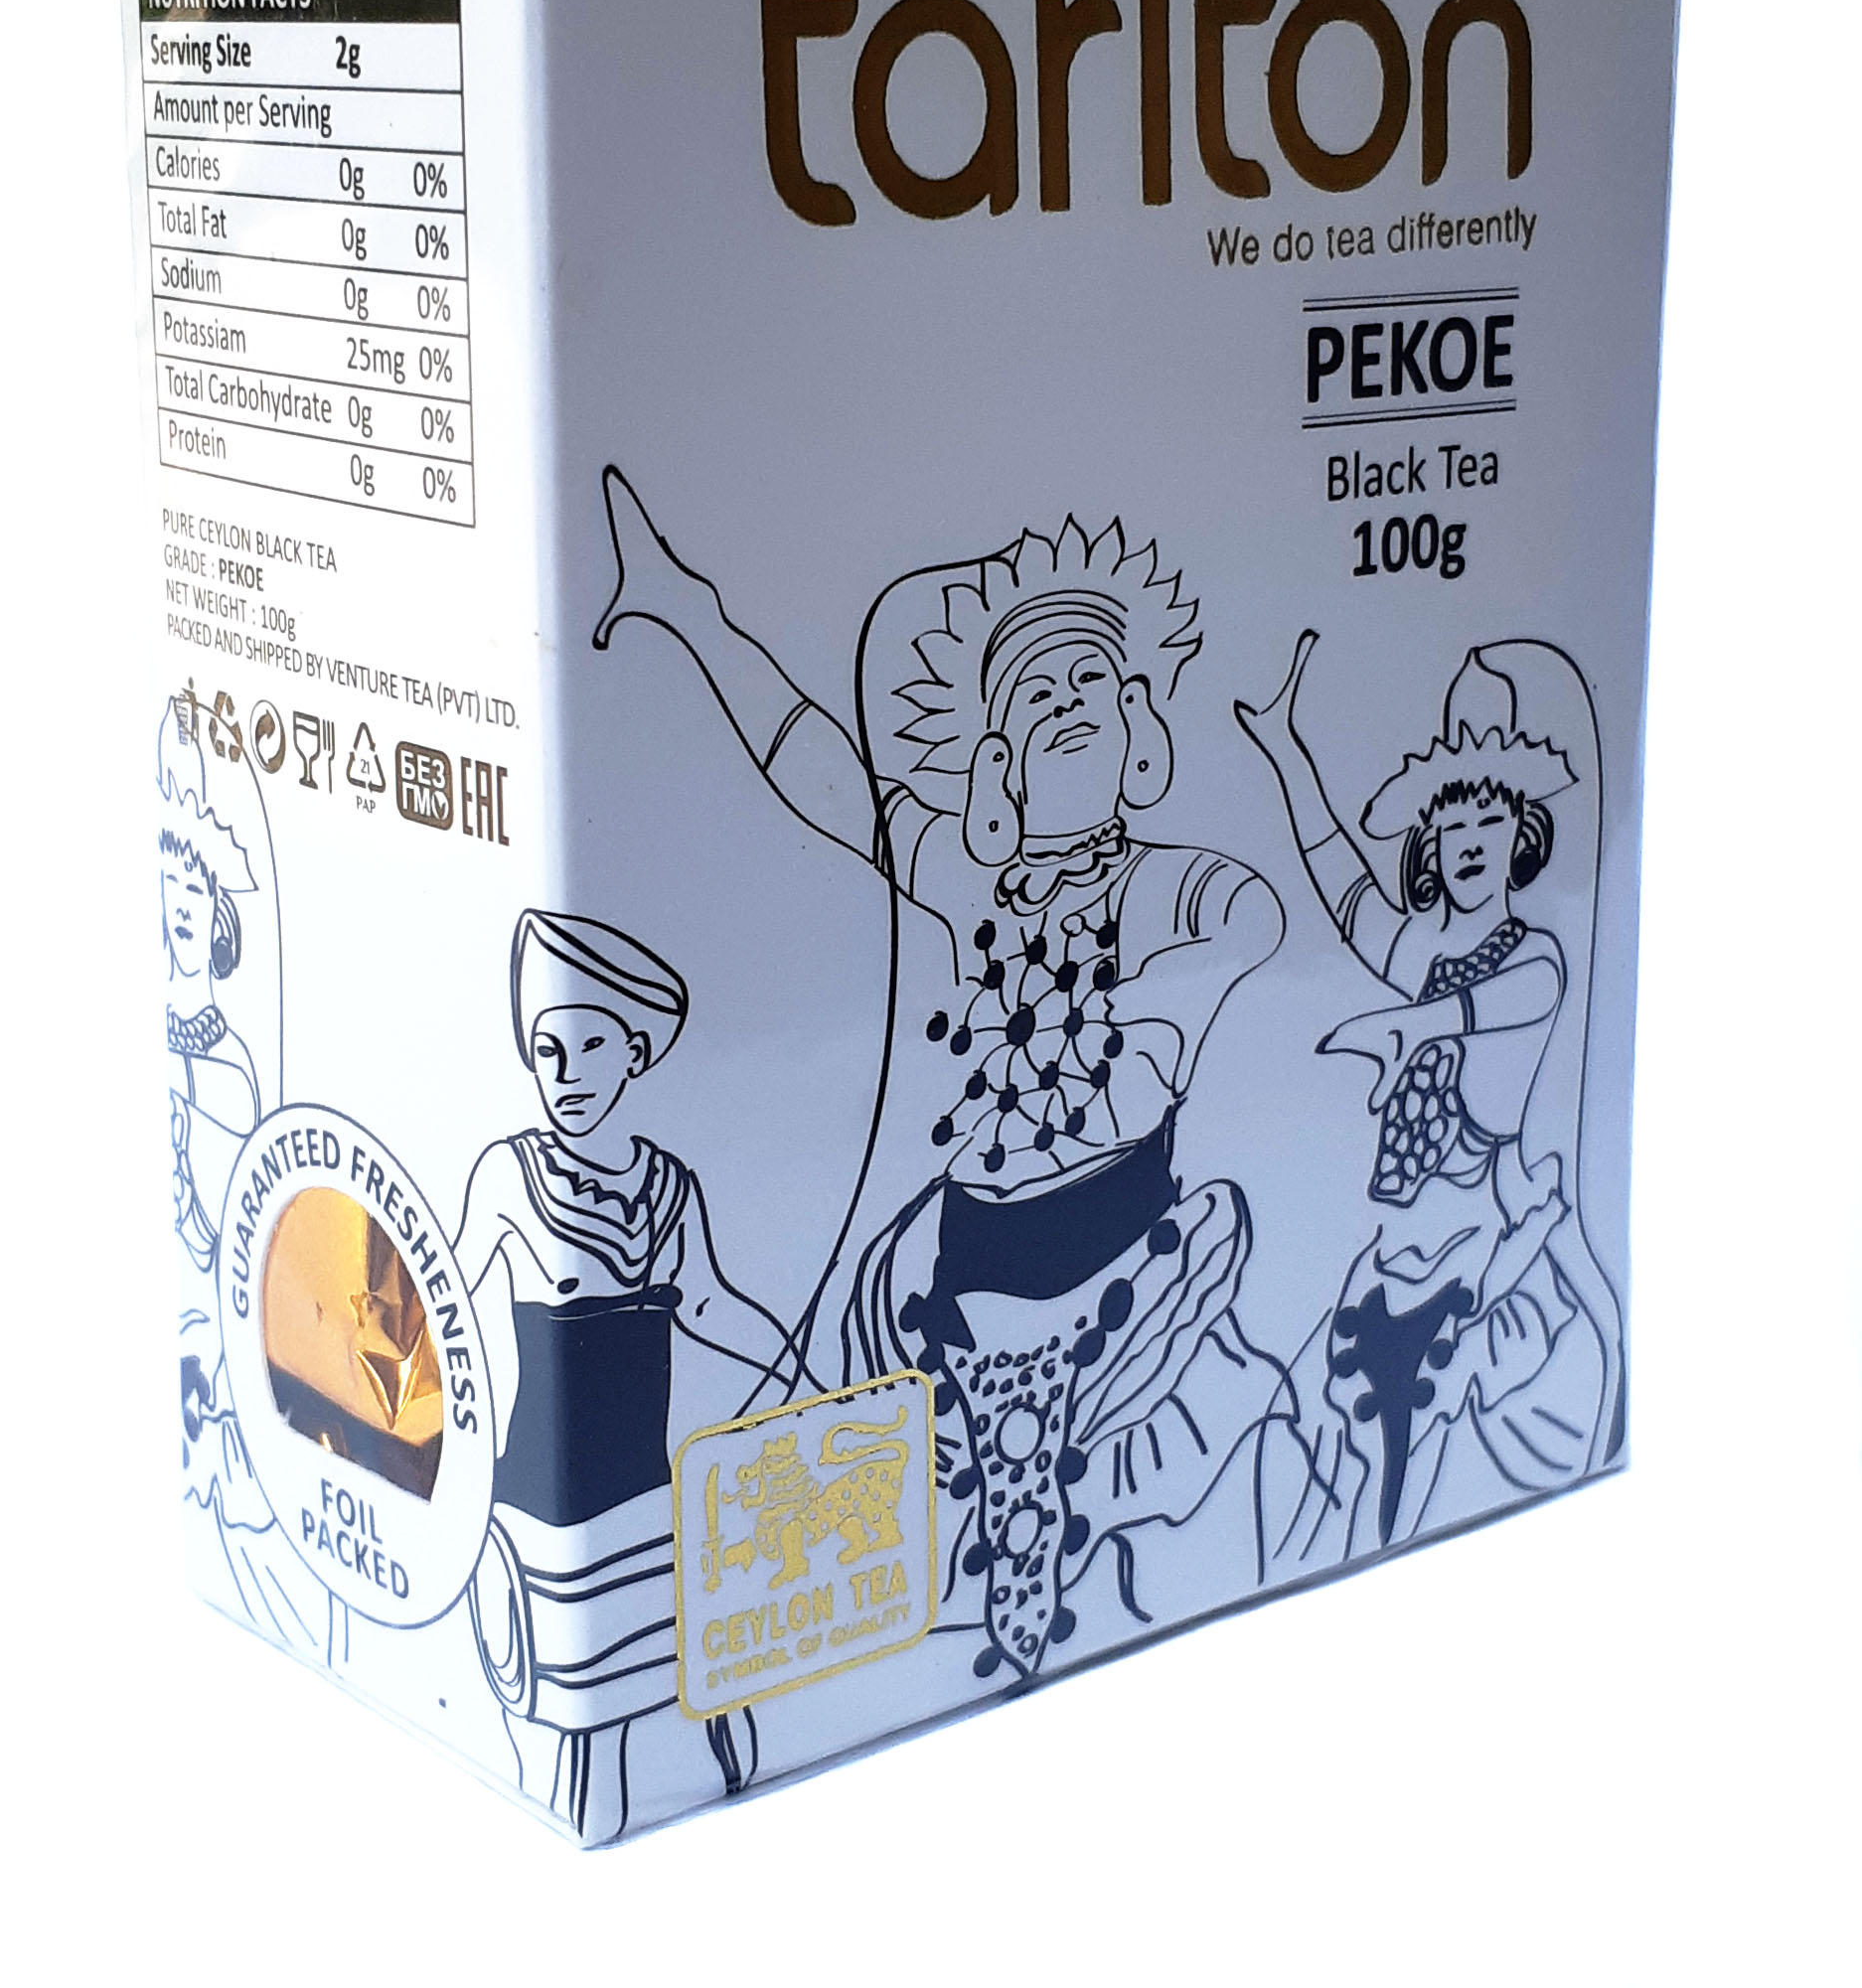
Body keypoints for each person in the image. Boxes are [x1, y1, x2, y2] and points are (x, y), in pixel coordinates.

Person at [595, 472, 1319, 1681]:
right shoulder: (970, 877)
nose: (1066, 699)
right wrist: (694, 612)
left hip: (1121, 1237)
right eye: (1037, 691)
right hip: (961, 1264)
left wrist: (1162, 1019)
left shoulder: (1164, 879)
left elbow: (1252, 916)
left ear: (1138, 724)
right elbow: (823, 771)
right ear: (997, 762)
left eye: (1089, 678)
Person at [1237, 633, 1623, 1556]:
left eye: (1489, 821)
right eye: (1451, 828)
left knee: (1402, 1474)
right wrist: (1286, 750)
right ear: (1429, 845)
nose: (1470, 842)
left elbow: (1506, 1001)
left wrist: (1414, 1026)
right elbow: (1339, 879)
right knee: (1314, 1457)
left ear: (1522, 834)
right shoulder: (1420, 950)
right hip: (1390, 1259)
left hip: (1479, 1259)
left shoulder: (1535, 955)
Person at [455, 907, 795, 1843]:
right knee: (584, 1738)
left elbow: (710, 1303)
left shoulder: (670, 1184)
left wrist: (803, 1370)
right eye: (547, 1051)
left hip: (653, 1497)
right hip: (547, 1510)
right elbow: (448, 1298)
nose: (566, 1073)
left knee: (718, 1692)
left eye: (592, 1046)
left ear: (636, 1052)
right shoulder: (508, 1175)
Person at [158, 697, 322, 1654]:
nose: (180, 911)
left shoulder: (225, 1064)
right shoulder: (182, 1047)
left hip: (244, 1285)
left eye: (195, 894)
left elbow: (240, 1204)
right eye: (170, 888)